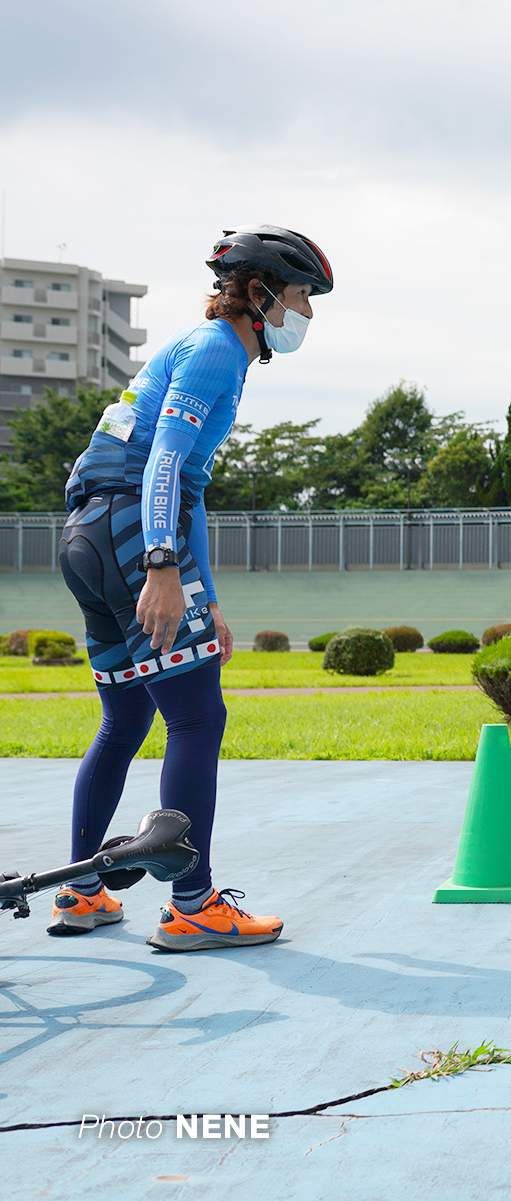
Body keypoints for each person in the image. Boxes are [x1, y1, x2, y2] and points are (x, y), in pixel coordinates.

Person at [49, 226, 332, 948]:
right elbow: (164, 466)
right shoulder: (214, 351)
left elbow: (188, 486)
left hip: (89, 536)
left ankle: (82, 895)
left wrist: (202, 591)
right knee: (198, 719)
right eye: (301, 295)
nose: (307, 312)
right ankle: (193, 904)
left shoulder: (199, 350)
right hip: (130, 535)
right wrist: (163, 567)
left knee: (125, 721)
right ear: (262, 291)